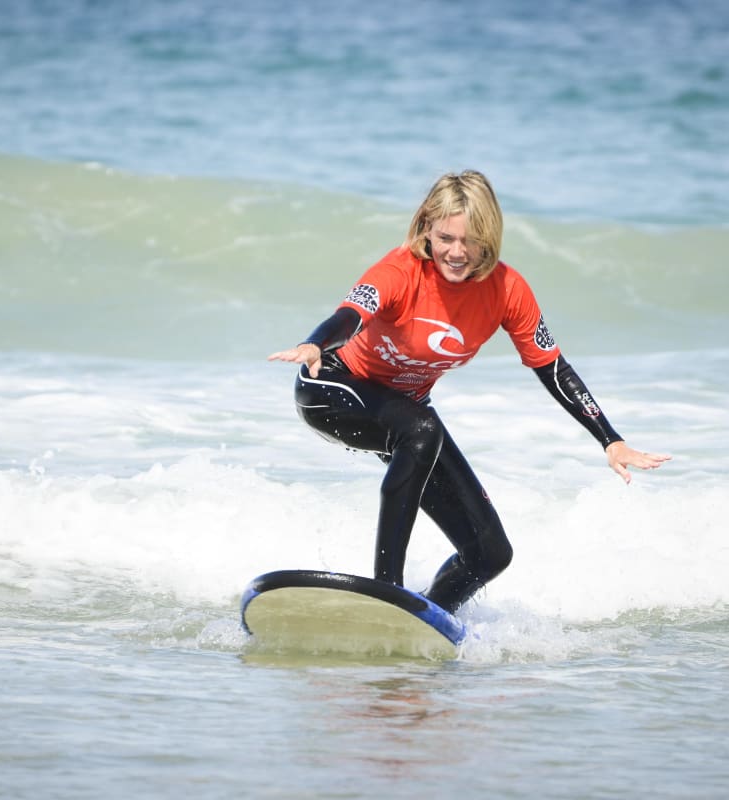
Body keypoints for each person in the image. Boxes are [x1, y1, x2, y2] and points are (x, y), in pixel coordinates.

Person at [268, 170, 669, 613]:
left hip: (406, 415)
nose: (457, 252)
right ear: (426, 228)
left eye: (471, 240)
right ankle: (387, 591)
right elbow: (351, 314)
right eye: (445, 238)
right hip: (334, 385)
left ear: (489, 237)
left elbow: (551, 367)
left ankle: (422, 619)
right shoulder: (400, 270)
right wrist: (316, 342)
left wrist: (609, 439)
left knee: (490, 552)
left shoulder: (506, 289)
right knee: (421, 428)